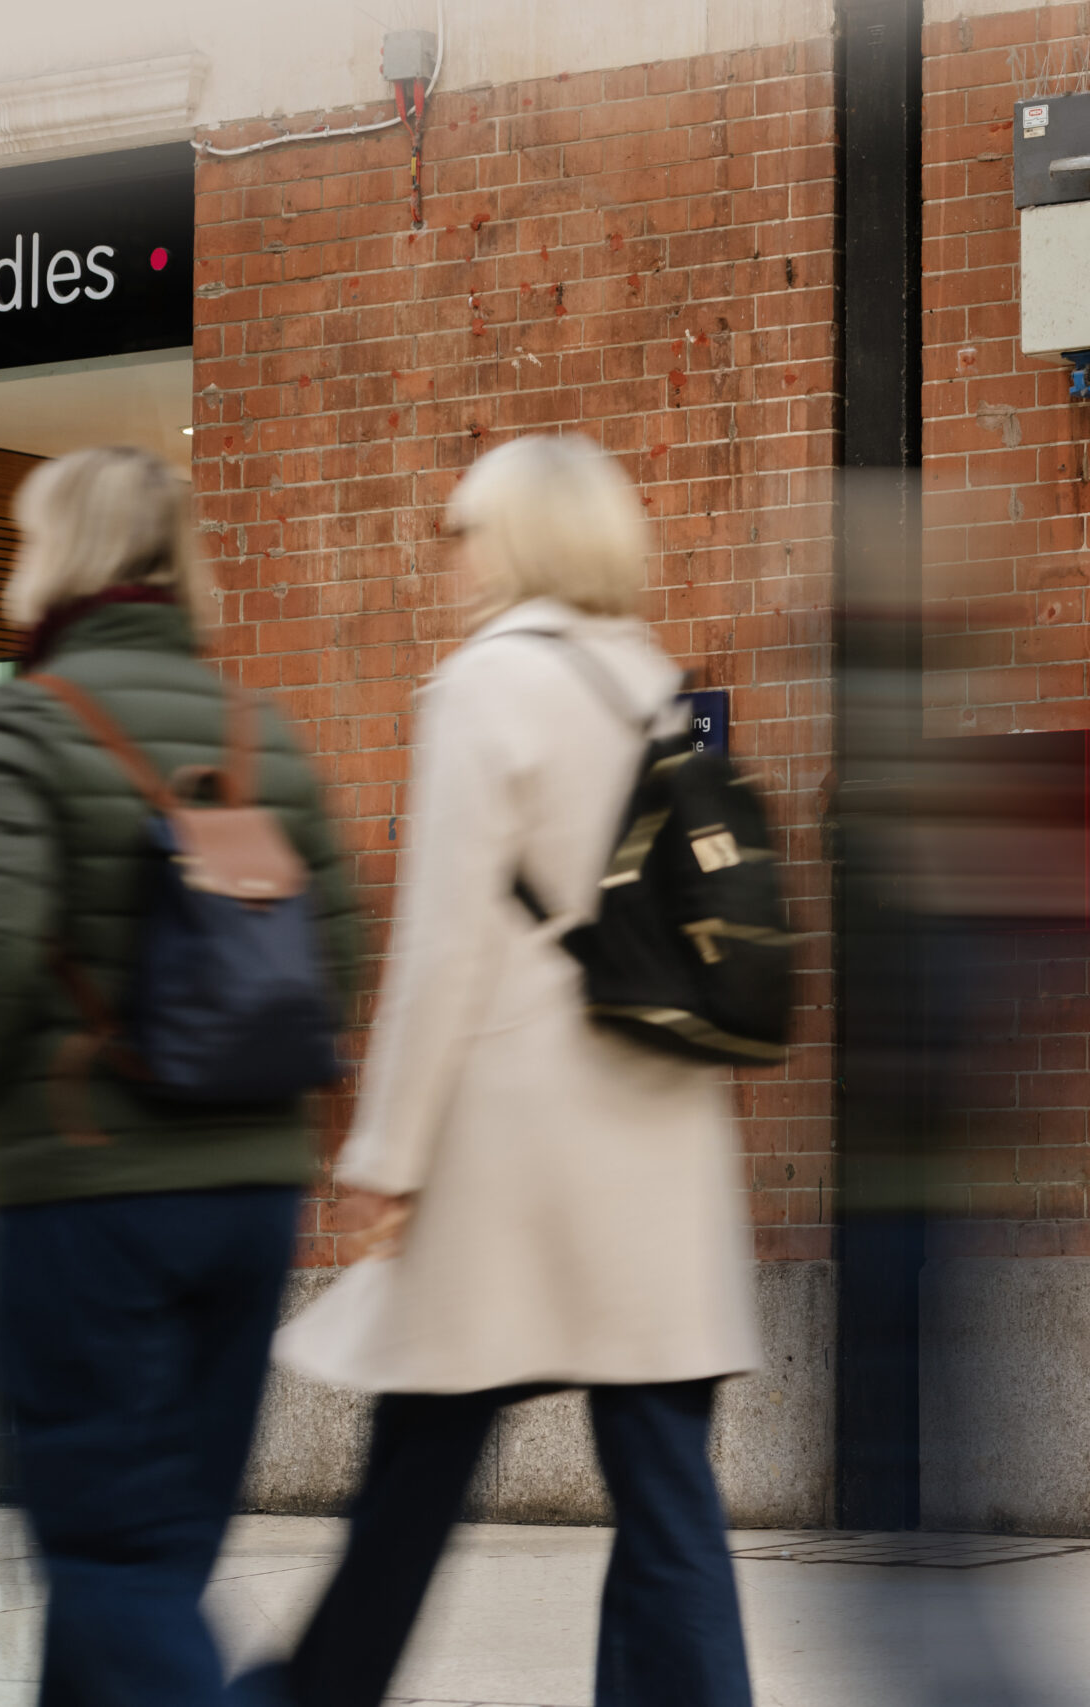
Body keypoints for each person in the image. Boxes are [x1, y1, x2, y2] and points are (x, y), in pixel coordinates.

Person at [237, 434, 759, 1707]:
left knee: (417, 1464)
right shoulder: (650, 682)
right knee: (666, 1494)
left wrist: (382, 1160)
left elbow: (441, 950)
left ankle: (313, 1695)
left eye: (469, 527)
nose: (456, 552)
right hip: (663, 1138)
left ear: (517, 540)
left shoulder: (481, 687)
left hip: (517, 1152)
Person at [0, 446, 357, 1703]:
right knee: (157, 1552)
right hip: (248, 1206)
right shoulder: (263, 736)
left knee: (110, 1558)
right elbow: (336, 953)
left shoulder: (21, 731)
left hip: (89, 1200)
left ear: (58, 555)